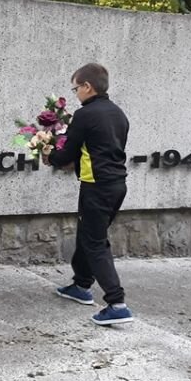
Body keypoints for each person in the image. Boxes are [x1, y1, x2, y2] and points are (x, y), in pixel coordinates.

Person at [44, 63, 134, 326]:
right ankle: (81, 285)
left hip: (97, 187)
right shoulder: (118, 114)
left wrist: (50, 156)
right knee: (88, 234)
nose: (76, 94)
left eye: (76, 89)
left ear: (87, 86)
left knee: (95, 242)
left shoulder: (85, 115)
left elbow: (68, 153)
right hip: (117, 185)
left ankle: (117, 303)